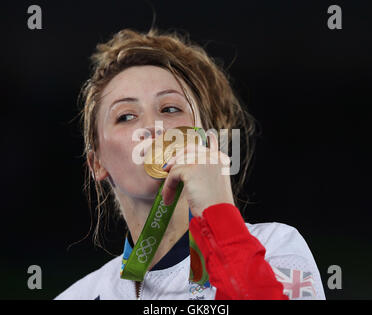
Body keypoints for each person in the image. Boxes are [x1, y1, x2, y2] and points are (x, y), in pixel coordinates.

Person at [55, 28, 325, 300]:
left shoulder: (275, 248)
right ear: (97, 163)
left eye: (170, 109)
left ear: (208, 144)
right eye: (125, 116)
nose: (152, 127)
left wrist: (220, 216)